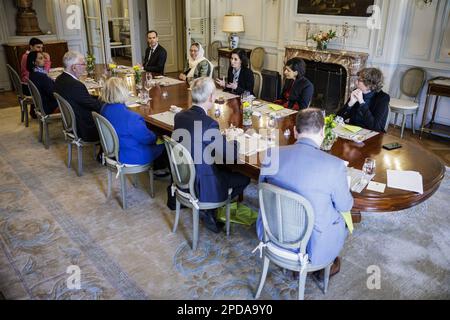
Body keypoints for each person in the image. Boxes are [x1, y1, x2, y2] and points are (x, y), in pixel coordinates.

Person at [257, 108, 354, 275]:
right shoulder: (335, 166)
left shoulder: (271, 154)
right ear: (323, 132)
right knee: (344, 219)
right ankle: (323, 264)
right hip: (312, 246)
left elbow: (262, 191)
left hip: (273, 233)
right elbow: (345, 205)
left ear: (295, 131)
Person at [173, 77, 250, 233]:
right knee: (245, 177)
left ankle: (210, 209)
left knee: (221, 167)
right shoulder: (209, 124)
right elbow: (230, 156)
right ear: (210, 97)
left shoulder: (179, 116)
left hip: (183, 177)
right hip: (202, 184)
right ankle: (210, 208)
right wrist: (235, 141)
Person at [100, 77, 166, 167]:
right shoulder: (131, 117)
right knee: (165, 144)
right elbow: (147, 139)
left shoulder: (104, 108)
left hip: (113, 150)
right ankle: (159, 169)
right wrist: (157, 136)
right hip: (132, 155)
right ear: (123, 92)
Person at [54, 51, 102, 142]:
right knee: (114, 116)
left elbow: (83, 98)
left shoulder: (59, 79)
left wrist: (100, 97)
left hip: (71, 123)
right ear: (74, 67)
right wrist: (109, 102)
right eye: (83, 64)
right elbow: (95, 106)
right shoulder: (75, 85)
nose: (85, 67)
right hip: (84, 128)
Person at [337, 68, 390, 132]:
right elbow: (338, 118)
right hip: (353, 132)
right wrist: (350, 104)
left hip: (371, 135)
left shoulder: (382, 98)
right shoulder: (357, 92)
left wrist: (362, 103)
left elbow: (375, 127)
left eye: (359, 80)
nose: (356, 82)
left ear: (369, 84)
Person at [20, 37, 52, 118]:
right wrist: (47, 60)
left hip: (30, 82)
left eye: (41, 47)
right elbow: (45, 72)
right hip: (27, 85)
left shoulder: (33, 69)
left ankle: (34, 110)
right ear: (31, 47)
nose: (40, 49)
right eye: (38, 47)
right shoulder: (29, 57)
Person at [27, 51, 59, 115]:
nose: (44, 60)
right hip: (49, 107)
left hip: (42, 104)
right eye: (41, 58)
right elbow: (53, 94)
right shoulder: (41, 77)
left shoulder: (32, 74)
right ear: (34, 62)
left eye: (43, 58)